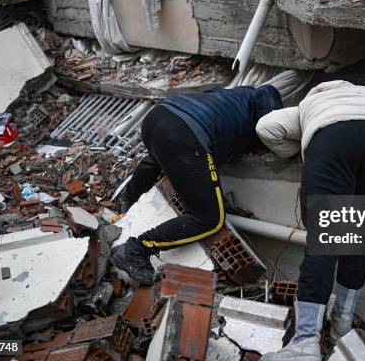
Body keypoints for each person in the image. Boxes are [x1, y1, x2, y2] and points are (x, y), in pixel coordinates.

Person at [255, 80, 365, 360]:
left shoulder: (305, 105)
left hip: (333, 139)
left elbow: (266, 127)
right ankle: (342, 327)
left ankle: (305, 342)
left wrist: (298, 149)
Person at [111, 85, 283, 284]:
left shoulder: (236, 96)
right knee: (209, 218)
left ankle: (127, 204)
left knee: (158, 159)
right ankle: (136, 250)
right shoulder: (267, 107)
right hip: (186, 134)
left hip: (158, 116)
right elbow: (268, 100)